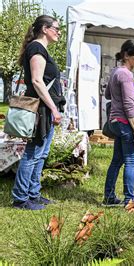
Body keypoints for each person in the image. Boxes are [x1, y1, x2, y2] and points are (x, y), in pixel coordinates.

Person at [11, 15, 64, 210]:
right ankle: (20, 198)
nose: (59, 32)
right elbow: (37, 81)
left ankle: (33, 193)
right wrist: (52, 108)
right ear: (45, 29)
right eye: (56, 28)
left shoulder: (41, 49)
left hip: (45, 109)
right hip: (41, 109)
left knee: (41, 154)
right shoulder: (37, 48)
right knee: (33, 153)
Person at [103, 40, 134, 206]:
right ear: (127, 55)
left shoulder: (116, 72)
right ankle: (129, 200)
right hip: (126, 122)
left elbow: (108, 94)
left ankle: (109, 197)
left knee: (117, 161)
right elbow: (129, 104)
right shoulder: (126, 75)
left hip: (115, 120)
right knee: (131, 162)